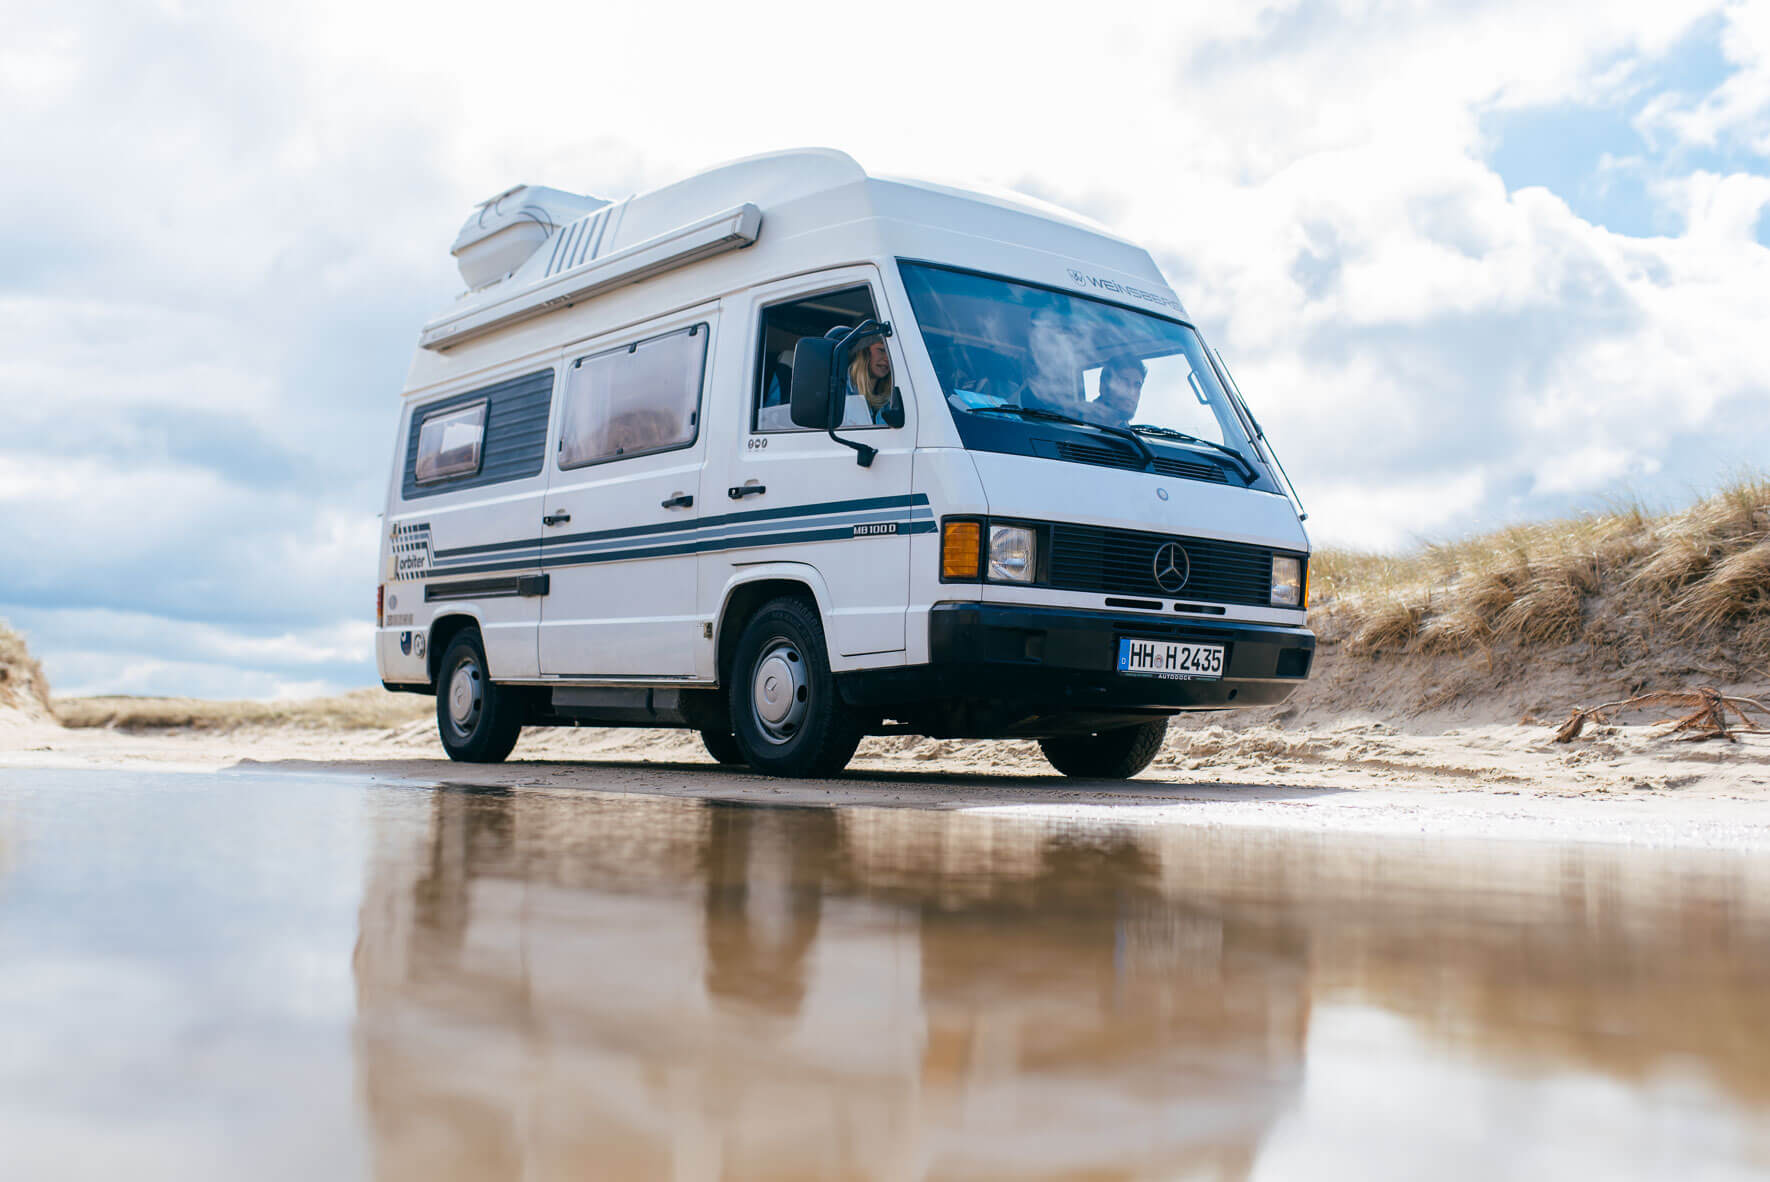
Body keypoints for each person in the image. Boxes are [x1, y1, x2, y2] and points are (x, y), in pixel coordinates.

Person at [842, 331, 903, 427]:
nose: (888, 358)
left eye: (891, 353)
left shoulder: (897, 396)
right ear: (863, 352)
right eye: (882, 350)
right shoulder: (838, 389)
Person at [1089, 355, 1147, 426]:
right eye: (1124, 382)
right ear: (1103, 385)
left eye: (1137, 385)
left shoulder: (1128, 434)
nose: (1132, 392)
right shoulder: (1077, 423)